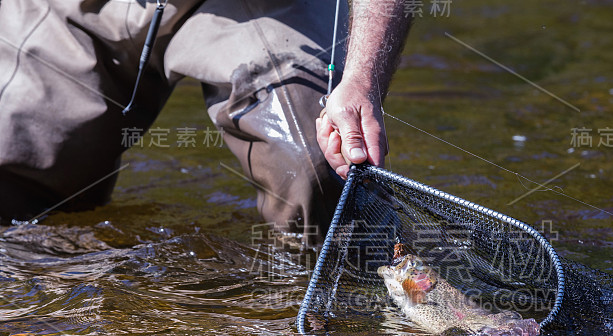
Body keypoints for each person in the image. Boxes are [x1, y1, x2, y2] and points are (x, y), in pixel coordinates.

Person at [0, 0, 411, 243]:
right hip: (78, 8)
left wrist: (360, 80)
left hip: (260, 8)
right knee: (11, 187)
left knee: (321, 175)